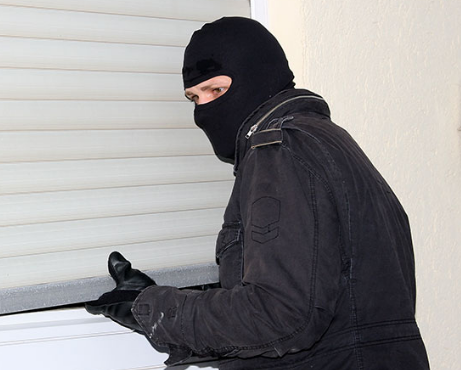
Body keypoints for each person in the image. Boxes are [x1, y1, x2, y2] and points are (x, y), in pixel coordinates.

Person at [85, 17, 430, 369]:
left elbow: (279, 316)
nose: (204, 109)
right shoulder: (328, 142)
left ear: (257, 74)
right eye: (194, 97)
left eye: (216, 91)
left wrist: (152, 307)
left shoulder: (280, 152)